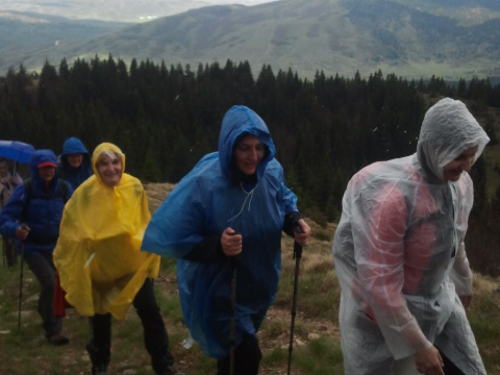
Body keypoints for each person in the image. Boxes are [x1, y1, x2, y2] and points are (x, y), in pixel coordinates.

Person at [141, 105, 311, 375]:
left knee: (233, 356)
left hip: (258, 281)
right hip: (220, 289)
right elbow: (173, 237)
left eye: (259, 147)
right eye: (244, 147)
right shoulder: (205, 183)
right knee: (247, 355)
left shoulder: (271, 171)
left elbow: (281, 200)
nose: (253, 156)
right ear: (229, 146)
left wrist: (293, 222)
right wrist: (217, 246)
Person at [332, 98, 489, 375]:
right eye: (459, 156)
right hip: (380, 316)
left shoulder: (459, 185)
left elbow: (455, 239)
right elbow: (380, 281)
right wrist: (418, 346)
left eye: (471, 156)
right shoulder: (393, 199)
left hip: (436, 300)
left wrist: (463, 283)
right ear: (434, 147)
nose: (467, 166)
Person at [53, 143, 184, 375]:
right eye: (104, 163)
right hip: (100, 268)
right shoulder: (84, 193)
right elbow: (72, 228)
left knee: (150, 312)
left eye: (115, 162)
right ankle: (100, 365)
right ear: (95, 166)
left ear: (122, 162)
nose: (111, 168)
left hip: (132, 265)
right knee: (100, 319)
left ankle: (163, 364)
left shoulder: (133, 186)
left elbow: (143, 220)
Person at [0, 150, 72, 345]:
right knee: (50, 283)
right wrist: (15, 230)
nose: (48, 171)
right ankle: (53, 331)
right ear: (36, 169)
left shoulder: (64, 189)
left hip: (57, 246)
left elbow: (76, 213)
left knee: (59, 283)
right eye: (43, 168)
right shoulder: (26, 190)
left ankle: (45, 309)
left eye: (51, 167)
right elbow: (4, 218)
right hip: (31, 247)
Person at [0, 158, 23, 267]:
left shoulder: (15, 177)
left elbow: (24, 189)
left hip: (16, 211)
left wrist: (17, 183)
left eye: (4, 168)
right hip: (3, 212)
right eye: (0, 168)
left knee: (17, 236)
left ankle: (18, 256)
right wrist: (2, 185)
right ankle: (11, 262)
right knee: (7, 237)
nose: (2, 170)